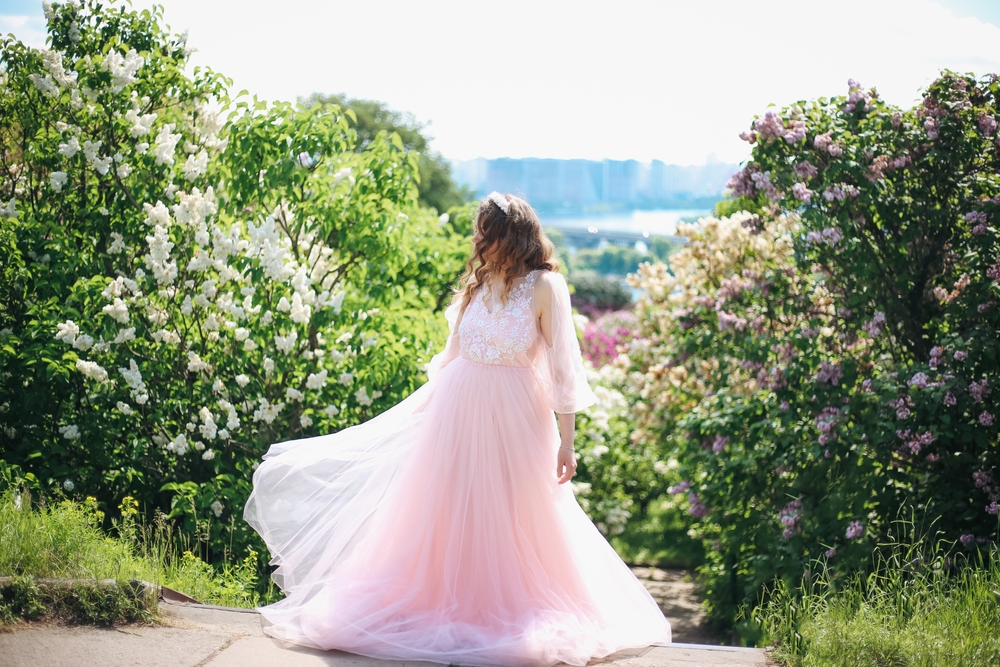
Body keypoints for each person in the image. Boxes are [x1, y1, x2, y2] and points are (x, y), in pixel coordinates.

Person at [244, 192, 671, 667]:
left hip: (517, 418)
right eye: (479, 234)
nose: (479, 243)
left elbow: (563, 371)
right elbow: (452, 354)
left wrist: (567, 443)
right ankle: (436, 600)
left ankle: (508, 608)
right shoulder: (477, 282)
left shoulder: (545, 286)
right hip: (457, 410)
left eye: (488, 235)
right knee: (443, 508)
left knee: (515, 513)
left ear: (512, 236)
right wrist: (420, 411)